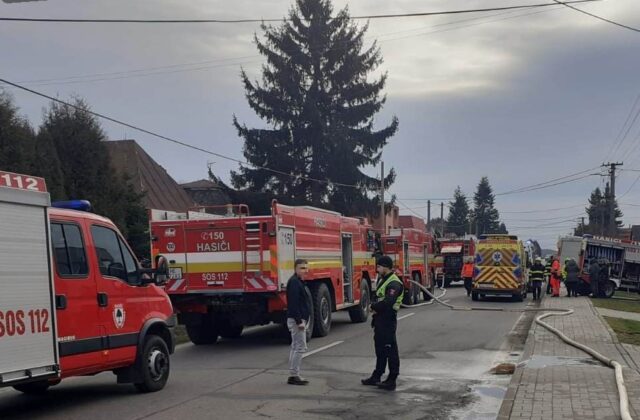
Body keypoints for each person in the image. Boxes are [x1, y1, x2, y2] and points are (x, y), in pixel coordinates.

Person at [361, 255, 404, 391]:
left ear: (385, 266)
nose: (377, 269)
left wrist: (373, 307)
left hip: (387, 320)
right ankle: (377, 375)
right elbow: (379, 296)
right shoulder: (384, 279)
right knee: (380, 349)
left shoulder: (394, 283)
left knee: (390, 350)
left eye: (379, 266)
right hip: (380, 320)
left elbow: (388, 302)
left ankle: (392, 379)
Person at [286, 259, 311, 385]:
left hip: (298, 319)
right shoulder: (295, 283)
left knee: (295, 346)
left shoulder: (298, 282)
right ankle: (294, 375)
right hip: (297, 320)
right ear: (295, 269)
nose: (305, 270)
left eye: (306, 268)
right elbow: (293, 303)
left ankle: (293, 374)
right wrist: (299, 321)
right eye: (302, 268)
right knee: (300, 347)